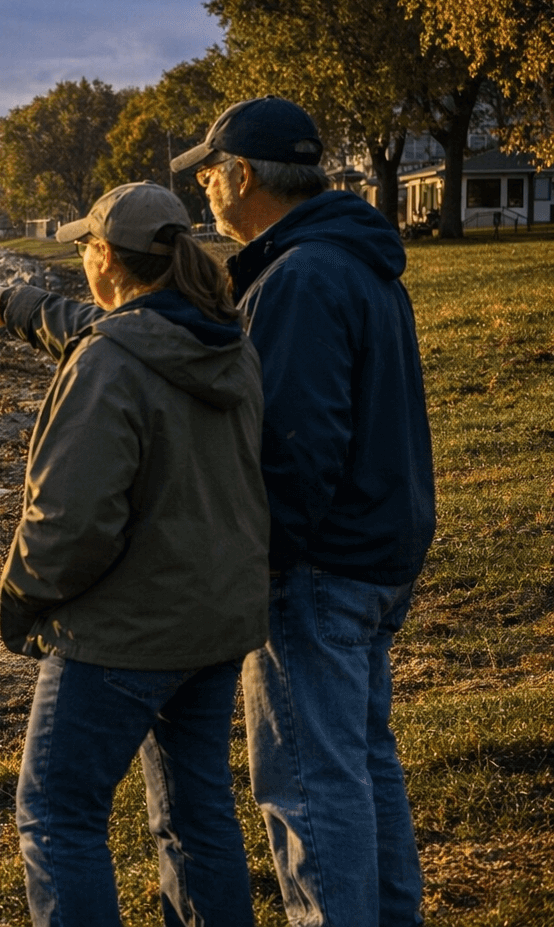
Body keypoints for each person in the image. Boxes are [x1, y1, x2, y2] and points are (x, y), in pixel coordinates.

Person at [0, 181, 269, 926]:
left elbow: (70, 522)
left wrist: (21, 602)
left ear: (105, 257)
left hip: (122, 633)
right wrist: (12, 304)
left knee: (56, 816)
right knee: (197, 815)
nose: (82, 261)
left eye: (84, 248)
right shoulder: (225, 343)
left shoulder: (108, 361)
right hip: (213, 619)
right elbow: (105, 331)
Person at [171, 96, 436, 927]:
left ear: (243, 175)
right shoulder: (353, 258)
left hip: (319, 567)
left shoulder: (301, 277)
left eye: (209, 174)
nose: (204, 189)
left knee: (310, 785)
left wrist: (258, 563)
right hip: (376, 550)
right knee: (362, 763)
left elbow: (294, 448)